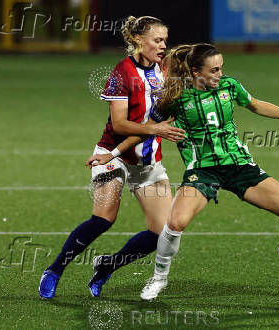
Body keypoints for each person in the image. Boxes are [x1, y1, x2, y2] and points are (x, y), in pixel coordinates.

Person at [89, 43, 279, 301]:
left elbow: (255, 104)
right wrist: (113, 154)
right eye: (215, 70)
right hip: (202, 171)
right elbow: (145, 129)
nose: (220, 74)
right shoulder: (174, 99)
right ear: (196, 72)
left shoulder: (230, 87)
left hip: (239, 166)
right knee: (175, 223)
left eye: (221, 68)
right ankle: (158, 278)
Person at [38, 16, 186, 299]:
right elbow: (119, 124)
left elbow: (166, 114)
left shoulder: (166, 70)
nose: (163, 45)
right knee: (104, 218)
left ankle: (107, 266)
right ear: (138, 40)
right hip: (111, 155)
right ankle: (55, 269)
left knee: (161, 232)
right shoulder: (122, 73)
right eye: (157, 40)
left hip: (147, 161)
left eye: (165, 40)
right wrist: (152, 129)